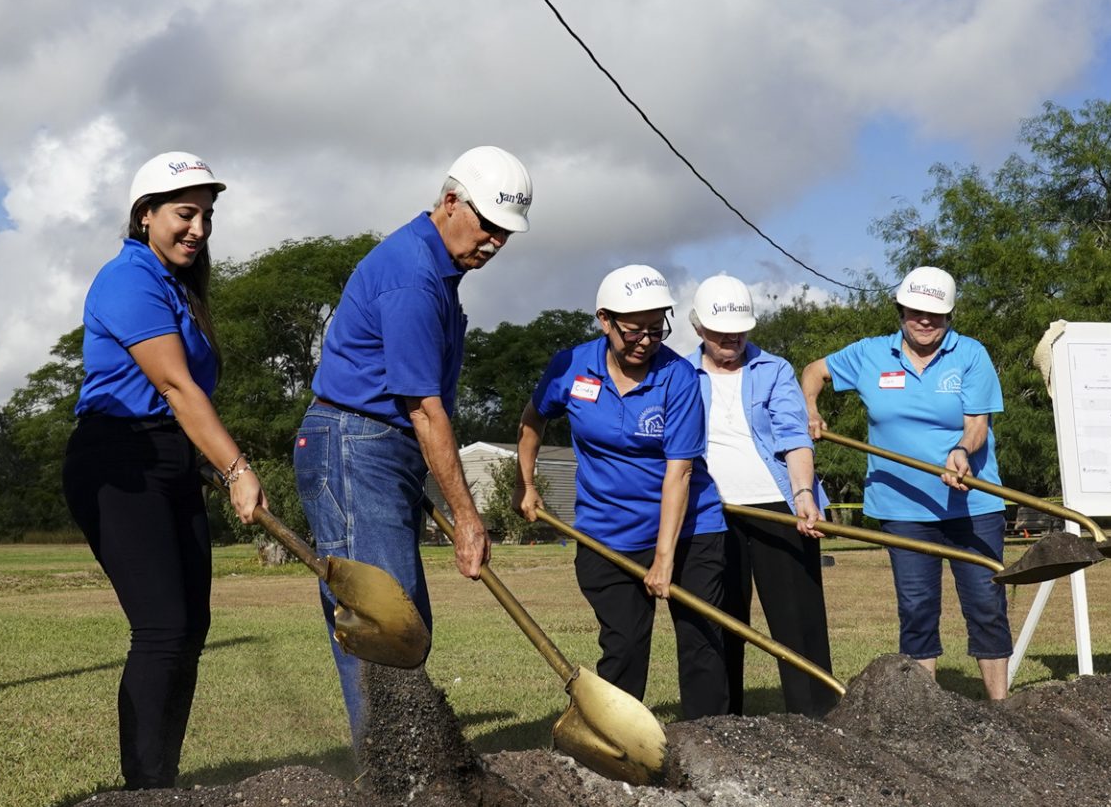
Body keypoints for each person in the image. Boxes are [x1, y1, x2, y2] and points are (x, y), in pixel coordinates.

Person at [295, 146, 532, 745]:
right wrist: (468, 517)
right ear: (450, 202)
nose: (495, 244)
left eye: (506, 235)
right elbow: (425, 410)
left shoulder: (438, 271)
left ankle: (405, 762)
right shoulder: (413, 277)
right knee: (385, 621)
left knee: (404, 620)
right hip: (355, 443)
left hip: (380, 445)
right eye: (488, 226)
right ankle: (394, 775)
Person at [63, 151, 265, 790]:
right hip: (119, 457)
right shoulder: (129, 279)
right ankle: (146, 796)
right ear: (144, 215)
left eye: (207, 216)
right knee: (162, 627)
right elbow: (177, 387)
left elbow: (179, 402)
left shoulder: (175, 285)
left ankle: (162, 782)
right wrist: (235, 466)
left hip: (169, 459)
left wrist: (203, 464)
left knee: (190, 627)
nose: (198, 229)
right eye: (185, 213)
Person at [516, 266, 730, 719]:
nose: (646, 341)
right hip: (606, 533)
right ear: (604, 320)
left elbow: (680, 472)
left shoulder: (679, 377)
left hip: (690, 530)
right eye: (634, 330)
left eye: (657, 329)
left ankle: (711, 741)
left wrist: (664, 559)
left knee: (702, 642)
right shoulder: (571, 366)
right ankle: (613, 741)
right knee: (625, 643)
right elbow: (533, 418)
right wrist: (527, 484)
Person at [799, 266, 1012, 700]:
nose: (925, 321)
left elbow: (976, 425)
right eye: (916, 311)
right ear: (901, 310)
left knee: (986, 605)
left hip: (973, 505)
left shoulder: (970, 354)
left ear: (950, 316)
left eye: (936, 314)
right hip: (901, 508)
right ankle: (923, 712)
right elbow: (813, 371)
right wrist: (810, 409)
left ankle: (1000, 706)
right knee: (917, 609)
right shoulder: (871, 354)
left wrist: (962, 452)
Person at [689, 274, 838, 718]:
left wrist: (804, 494)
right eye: (720, 332)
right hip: (711, 512)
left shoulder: (774, 369)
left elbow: (794, 436)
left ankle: (816, 721)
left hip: (778, 508)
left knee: (799, 622)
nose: (732, 339)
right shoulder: (678, 373)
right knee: (721, 620)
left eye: (740, 330)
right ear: (698, 327)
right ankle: (721, 724)